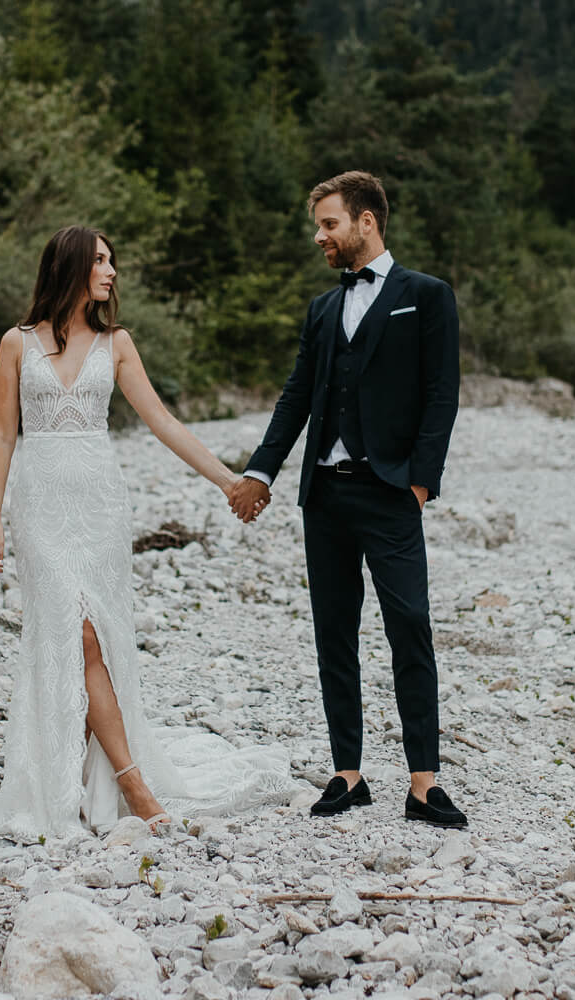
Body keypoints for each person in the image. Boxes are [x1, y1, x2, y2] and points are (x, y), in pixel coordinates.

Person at [0, 225, 295, 841]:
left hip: (99, 506)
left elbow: (162, 421)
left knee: (96, 636)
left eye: (111, 261)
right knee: (72, 634)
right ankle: (128, 782)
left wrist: (229, 481)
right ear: (71, 266)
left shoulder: (116, 343)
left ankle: (102, 773)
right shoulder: (17, 344)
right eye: (100, 261)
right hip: (41, 508)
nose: (111, 271)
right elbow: (2, 432)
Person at [227, 171, 467, 828]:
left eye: (329, 224)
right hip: (325, 496)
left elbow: (442, 394)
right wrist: (262, 472)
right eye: (319, 226)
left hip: (391, 493)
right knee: (333, 632)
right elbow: (296, 398)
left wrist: (420, 482)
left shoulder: (427, 296)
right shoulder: (321, 309)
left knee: (409, 625)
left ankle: (424, 783)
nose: (320, 236)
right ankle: (348, 774)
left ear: (366, 221)